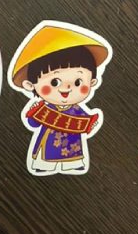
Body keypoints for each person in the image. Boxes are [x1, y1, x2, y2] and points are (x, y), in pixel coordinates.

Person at [9, 24, 111, 175]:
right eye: (55, 82)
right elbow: (33, 123)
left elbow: (85, 124)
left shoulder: (76, 110)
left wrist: (91, 123)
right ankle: (45, 165)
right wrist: (32, 114)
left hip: (72, 144)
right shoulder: (43, 109)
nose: (66, 88)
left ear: (92, 82)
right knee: (47, 156)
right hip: (48, 143)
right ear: (30, 85)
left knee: (72, 155)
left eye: (78, 82)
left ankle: (73, 164)